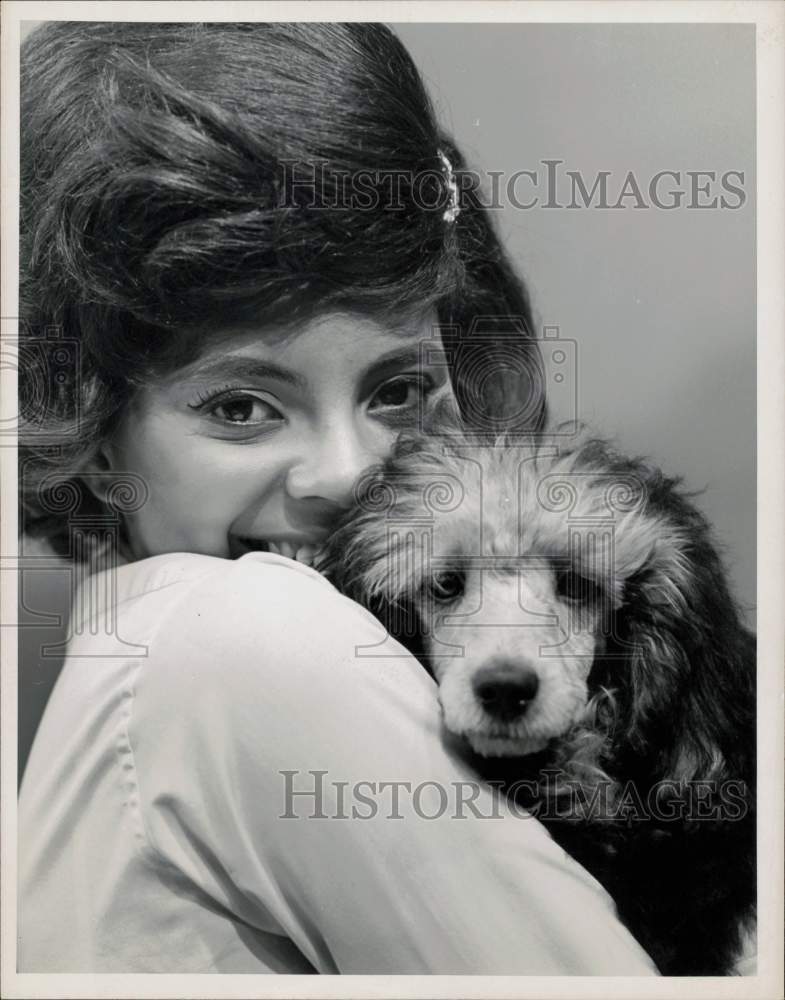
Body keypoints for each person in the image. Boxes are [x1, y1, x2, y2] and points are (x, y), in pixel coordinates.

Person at [17, 21, 657, 975]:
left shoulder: (132, 653)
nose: (351, 475)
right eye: (239, 407)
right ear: (94, 434)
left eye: (399, 390)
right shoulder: (260, 634)